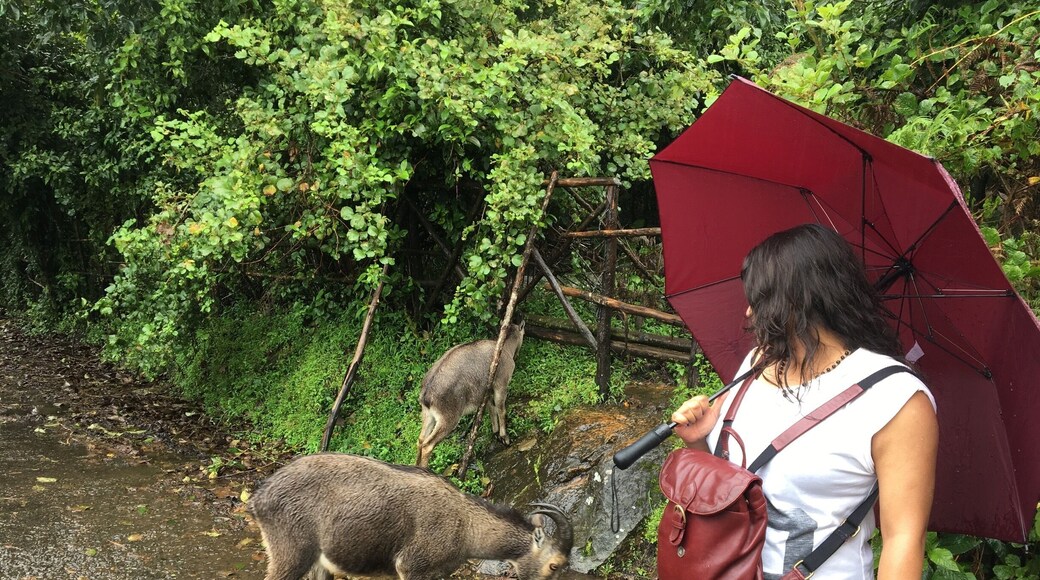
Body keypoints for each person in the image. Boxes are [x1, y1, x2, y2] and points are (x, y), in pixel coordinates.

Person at [671, 223, 938, 579]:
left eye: (759, 299)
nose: (749, 313)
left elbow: (903, 539)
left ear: (795, 299)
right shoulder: (757, 363)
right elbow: (730, 494)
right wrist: (702, 441)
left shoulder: (895, 400)